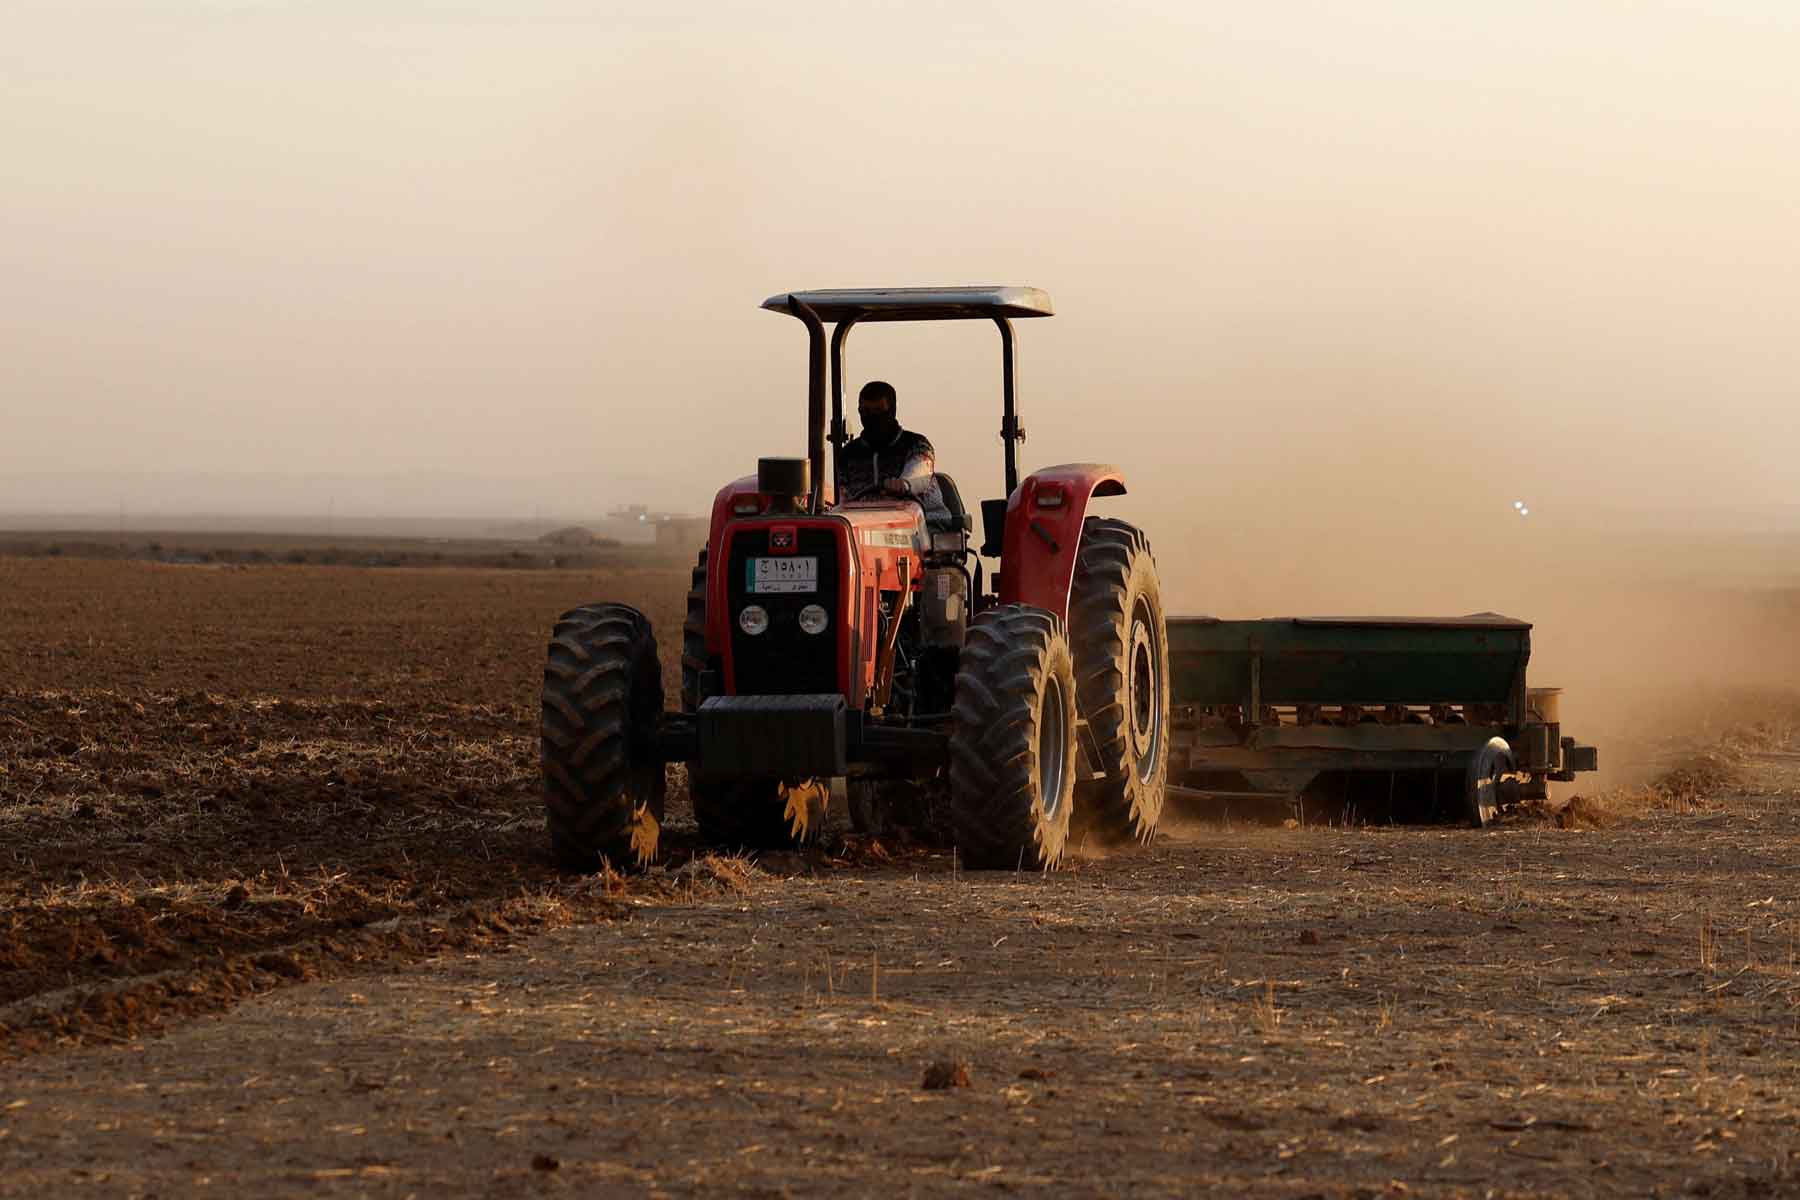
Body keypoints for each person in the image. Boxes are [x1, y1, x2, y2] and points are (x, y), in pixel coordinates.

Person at [837, 380, 950, 526]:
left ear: (892, 410)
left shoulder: (917, 445)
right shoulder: (849, 455)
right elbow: (845, 498)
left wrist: (905, 483)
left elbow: (920, 472)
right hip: (868, 527)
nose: (872, 417)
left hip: (923, 526)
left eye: (878, 411)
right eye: (866, 411)